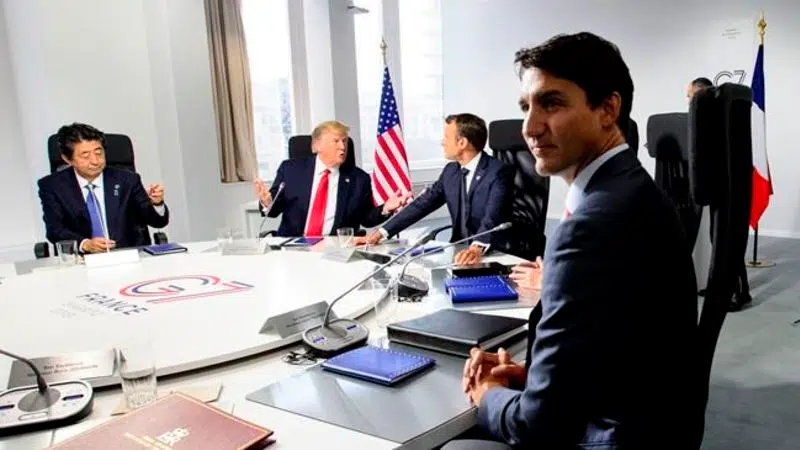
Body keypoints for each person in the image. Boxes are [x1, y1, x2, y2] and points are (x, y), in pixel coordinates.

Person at [453, 32, 699, 449]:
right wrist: (534, 376)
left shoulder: (590, 226)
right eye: (526, 107)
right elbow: (619, 346)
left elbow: (536, 427)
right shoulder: (633, 189)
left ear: (608, 109)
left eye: (551, 103)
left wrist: (487, 395)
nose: (530, 127)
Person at [354, 114, 514, 266]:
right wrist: (381, 233)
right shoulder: (451, 171)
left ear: (462, 143)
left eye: (447, 137)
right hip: (459, 253)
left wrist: (477, 247)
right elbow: (422, 205)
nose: (442, 142)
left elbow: (493, 216)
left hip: (492, 253)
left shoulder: (498, 172)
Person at [253, 120, 406, 237]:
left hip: (335, 248)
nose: (343, 147)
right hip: (293, 246)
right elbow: (273, 211)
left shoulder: (359, 179)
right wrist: (267, 202)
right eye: (336, 141)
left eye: (345, 141)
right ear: (316, 146)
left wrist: (386, 208)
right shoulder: (291, 170)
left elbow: (366, 219)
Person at [37, 123, 169, 253]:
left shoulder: (127, 180)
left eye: (98, 153)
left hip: (128, 254)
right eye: (85, 156)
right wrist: (85, 244)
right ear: (67, 159)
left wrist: (157, 204)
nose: (95, 161)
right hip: (82, 259)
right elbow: (55, 229)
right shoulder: (52, 186)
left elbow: (158, 222)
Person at [687, 78, 752, 311]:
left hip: (725, 186)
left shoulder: (715, 118)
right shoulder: (712, 118)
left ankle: (736, 293)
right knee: (721, 240)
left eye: (690, 95)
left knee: (726, 241)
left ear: (701, 92)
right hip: (719, 185)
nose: (688, 100)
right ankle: (733, 289)